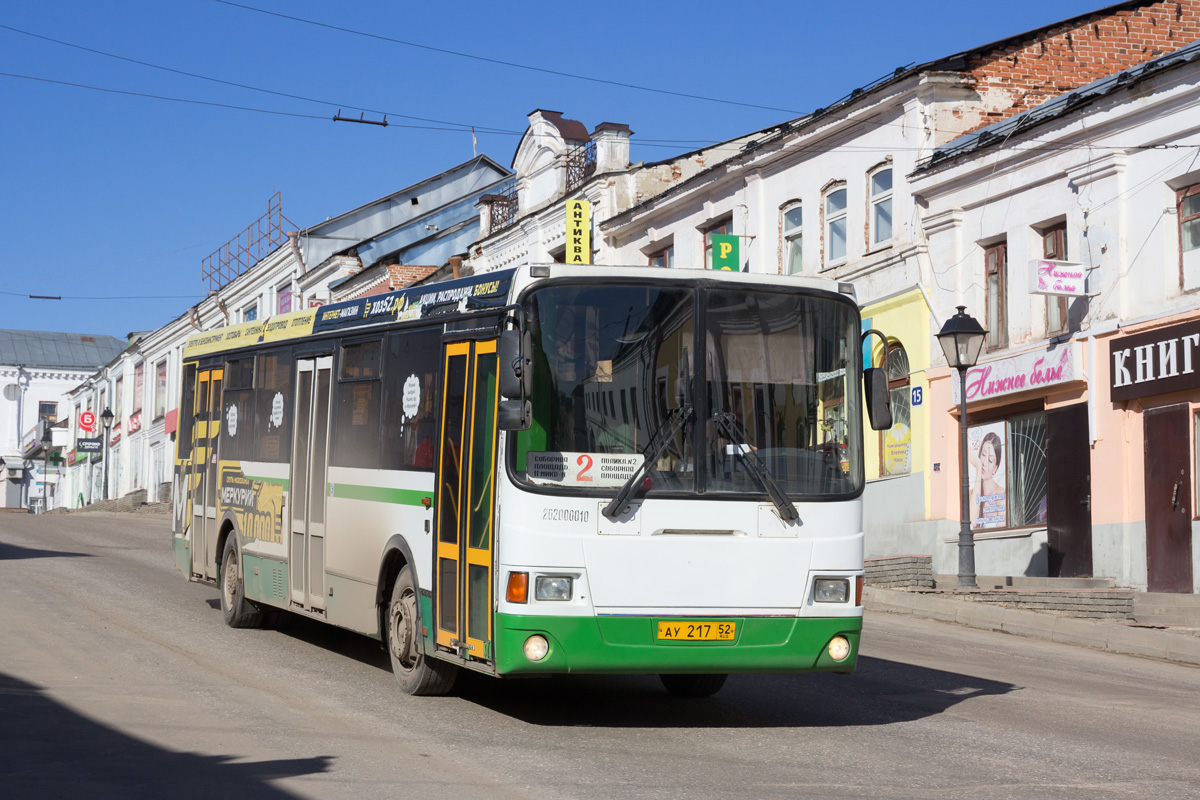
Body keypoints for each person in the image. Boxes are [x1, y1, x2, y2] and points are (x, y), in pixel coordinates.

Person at [969, 431, 1006, 529]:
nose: (984, 463)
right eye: (983, 454)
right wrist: (978, 468)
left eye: (990, 460)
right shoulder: (971, 494)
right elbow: (973, 520)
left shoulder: (1000, 495)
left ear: (995, 468)